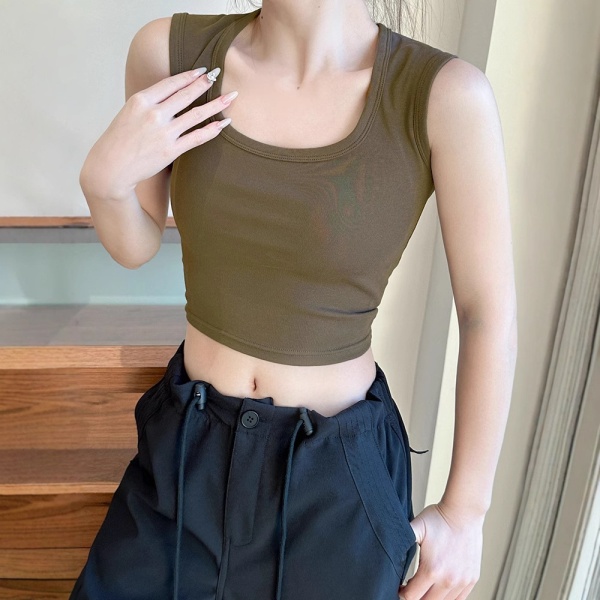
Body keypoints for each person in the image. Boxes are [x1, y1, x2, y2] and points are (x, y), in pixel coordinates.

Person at [71, 1, 517, 599]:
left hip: (334, 481)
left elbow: (487, 312)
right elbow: (137, 243)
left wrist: (467, 511)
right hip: (185, 450)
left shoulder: (445, 95)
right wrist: (103, 182)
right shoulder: (170, 53)